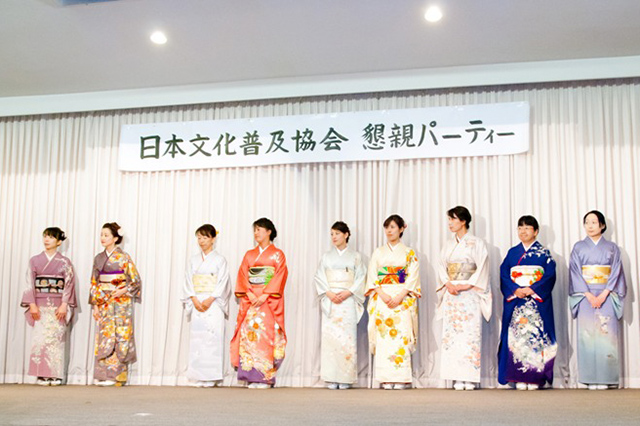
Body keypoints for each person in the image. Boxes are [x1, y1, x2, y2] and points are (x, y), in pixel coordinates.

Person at [498, 216, 557, 390]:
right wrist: (515, 289)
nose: (523, 231)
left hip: (535, 301)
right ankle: (517, 377)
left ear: (536, 231)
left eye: (527, 228)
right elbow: (504, 274)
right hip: (517, 301)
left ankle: (534, 377)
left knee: (535, 335)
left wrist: (532, 289)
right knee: (516, 338)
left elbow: (549, 275)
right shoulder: (512, 253)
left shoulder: (544, 253)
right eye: (520, 228)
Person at [569, 210, 626, 390]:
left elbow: (616, 272)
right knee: (586, 335)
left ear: (602, 225)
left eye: (594, 222)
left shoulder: (612, 247)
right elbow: (575, 272)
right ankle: (589, 378)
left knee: (606, 334)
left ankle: (606, 377)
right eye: (587, 222)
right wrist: (587, 294)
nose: (590, 226)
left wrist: (604, 293)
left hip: (606, 294)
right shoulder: (578, 247)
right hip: (585, 295)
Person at [436, 206, 491, 391]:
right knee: (452, 335)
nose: (450, 223)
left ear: (463, 221)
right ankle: (456, 377)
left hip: (470, 293)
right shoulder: (448, 245)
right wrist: (447, 283)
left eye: (453, 219)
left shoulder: (477, 243)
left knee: (470, 334)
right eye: (449, 219)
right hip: (452, 293)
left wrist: (467, 285)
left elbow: (482, 267)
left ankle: (469, 377)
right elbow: (441, 266)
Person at [230, 218, 288, 389]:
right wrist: (249, 293)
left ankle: (264, 378)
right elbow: (242, 274)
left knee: (266, 335)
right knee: (249, 335)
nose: (256, 233)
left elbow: (280, 275)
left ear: (269, 232)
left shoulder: (278, 254)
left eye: (259, 229)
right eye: (254, 230)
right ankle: (250, 376)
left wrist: (265, 295)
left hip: (268, 301)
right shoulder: (249, 254)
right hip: (250, 300)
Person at [366, 214, 420, 390]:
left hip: (401, 298)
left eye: (392, 227)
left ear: (401, 229)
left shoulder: (409, 252)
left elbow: (413, 277)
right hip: (383, 297)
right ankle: (385, 378)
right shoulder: (378, 252)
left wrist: (400, 295)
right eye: (386, 227)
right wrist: (381, 293)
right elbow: (372, 275)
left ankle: (401, 378)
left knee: (401, 336)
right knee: (384, 337)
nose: (389, 231)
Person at [21, 227, 77, 386]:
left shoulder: (65, 262)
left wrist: (64, 305)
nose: (47, 240)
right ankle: (41, 375)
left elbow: (69, 284)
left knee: (56, 339)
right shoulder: (34, 260)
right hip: (39, 304)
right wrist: (32, 304)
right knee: (40, 339)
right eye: (45, 236)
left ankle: (55, 375)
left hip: (58, 304)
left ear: (59, 242)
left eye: (51, 237)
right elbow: (29, 282)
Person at [314, 221, 366, 390]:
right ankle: (331, 377)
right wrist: (328, 293)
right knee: (330, 338)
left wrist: (349, 291)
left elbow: (361, 277)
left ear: (346, 235)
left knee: (346, 338)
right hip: (331, 299)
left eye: (337, 233)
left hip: (347, 299)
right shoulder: (326, 257)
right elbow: (319, 276)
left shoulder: (355, 256)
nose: (334, 237)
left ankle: (345, 377)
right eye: (332, 234)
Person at [89, 222, 141, 386]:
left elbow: (135, 281)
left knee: (120, 334)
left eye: (106, 235)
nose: (102, 238)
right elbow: (94, 282)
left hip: (121, 302)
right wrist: (95, 305)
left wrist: (123, 290)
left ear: (115, 238)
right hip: (104, 301)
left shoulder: (124, 257)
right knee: (105, 335)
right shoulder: (98, 258)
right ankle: (103, 374)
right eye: (101, 235)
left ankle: (117, 375)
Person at [182, 224, 231, 387]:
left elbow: (223, 281)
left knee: (212, 337)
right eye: (199, 238)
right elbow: (188, 281)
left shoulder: (220, 260)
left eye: (205, 237)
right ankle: (198, 376)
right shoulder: (193, 260)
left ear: (213, 239)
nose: (201, 241)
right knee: (198, 338)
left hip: (213, 302)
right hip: (197, 301)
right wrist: (194, 299)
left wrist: (211, 299)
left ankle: (211, 376)